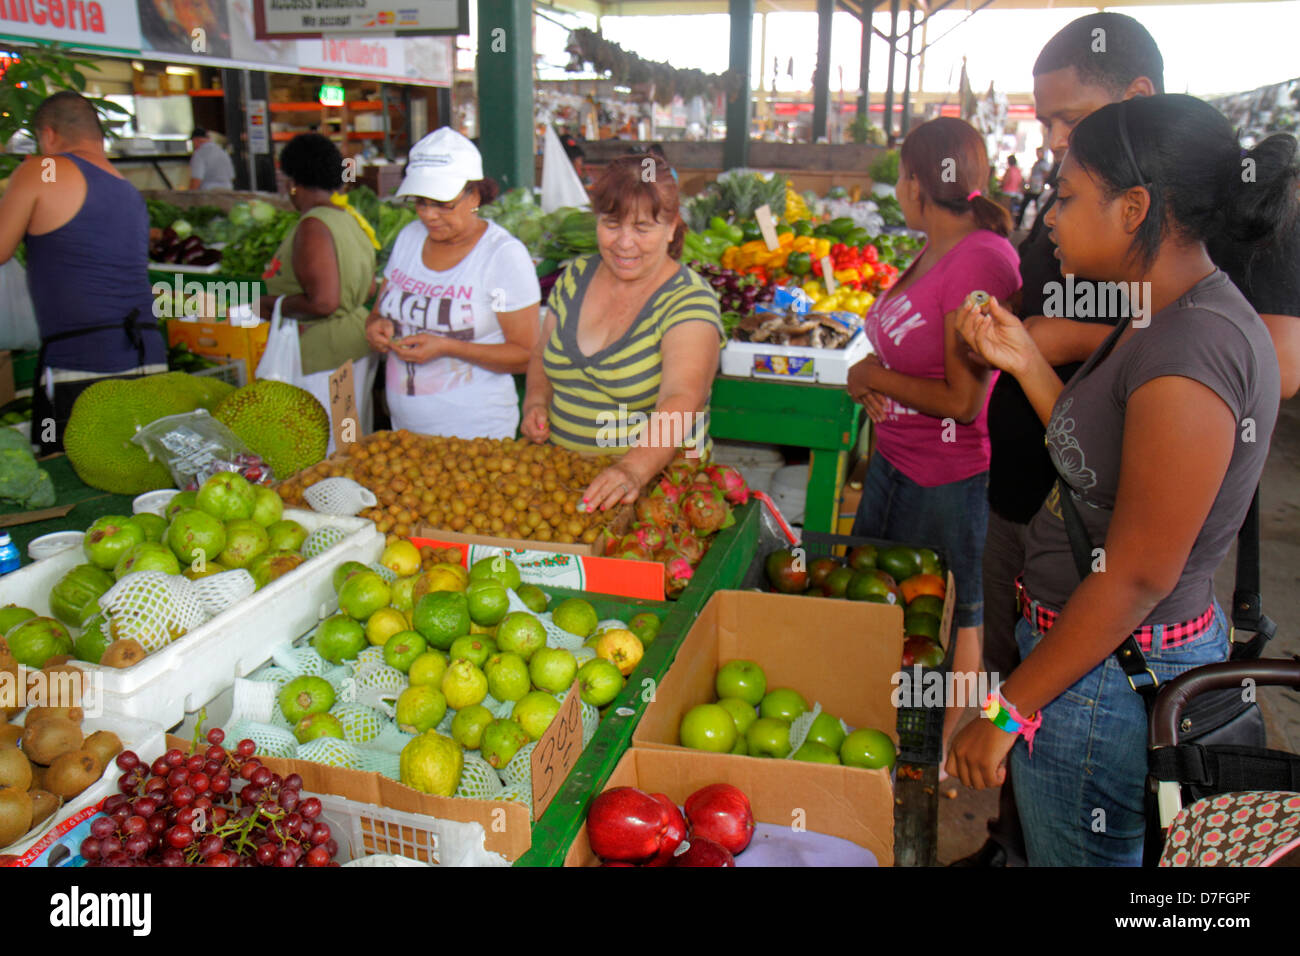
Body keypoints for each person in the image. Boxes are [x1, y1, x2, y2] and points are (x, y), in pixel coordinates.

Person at [961, 10, 1300, 870]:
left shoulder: (1192, 349)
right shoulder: (1165, 318)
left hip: (1101, 680)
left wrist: (1008, 711)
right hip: (1094, 663)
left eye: (1070, 199)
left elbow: (1141, 572)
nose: (1055, 223)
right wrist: (1026, 364)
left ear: (1137, 206)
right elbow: (1098, 479)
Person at [845, 117, 1021, 754]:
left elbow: (964, 400)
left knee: (947, 618)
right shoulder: (940, 245)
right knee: (889, 611)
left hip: (947, 475)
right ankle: (897, 738)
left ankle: (937, 753)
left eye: (900, 175)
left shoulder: (980, 258)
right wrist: (875, 379)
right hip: (898, 461)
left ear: (918, 183)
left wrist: (872, 376)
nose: (898, 187)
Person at [521, 153, 723, 510]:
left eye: (643, 228)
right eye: (611, 224)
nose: (624, 243)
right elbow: (542, 353)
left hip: (654, 499)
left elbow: (681, 398)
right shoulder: (574, 277)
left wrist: (633, 469)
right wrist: (537, 401)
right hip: (566, 486)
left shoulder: (689, 301)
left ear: (672, 227)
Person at [0, 91, 166, 454]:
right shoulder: (128, 192)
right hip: (147, 358)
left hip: (82, 365)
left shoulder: (42, 170)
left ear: (47, 135)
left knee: (69, 484)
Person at [364, 128, 540, 439]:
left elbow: (526, 355)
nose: (429, 215)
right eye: (420, 202)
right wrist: (376, 326)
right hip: (406, 430)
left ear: (474, 195)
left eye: (443, 203)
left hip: (475, 436)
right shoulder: (408, 239)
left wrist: (448, 348)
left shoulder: (501, 257)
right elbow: (379, 310)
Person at [259, 133, 378, 451]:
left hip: (323, 354)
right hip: (353, 342)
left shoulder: (314, 225)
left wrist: (273, 304)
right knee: (349, 436)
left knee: (325, 447)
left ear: (292, 182)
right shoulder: (350, 218)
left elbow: (324, 301)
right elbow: (368, 287)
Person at [1015, 147, 1051, 230]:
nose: (1038, 154)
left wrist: (1042, 186)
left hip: (1038, 189)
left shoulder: (1044, 164)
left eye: (1039, 152)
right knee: (1024, 205)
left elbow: (1045, 176)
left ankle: (1037, 228)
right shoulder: (1037, 163)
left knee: (1038, 209)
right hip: (1032, 188)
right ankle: (1019, 224)